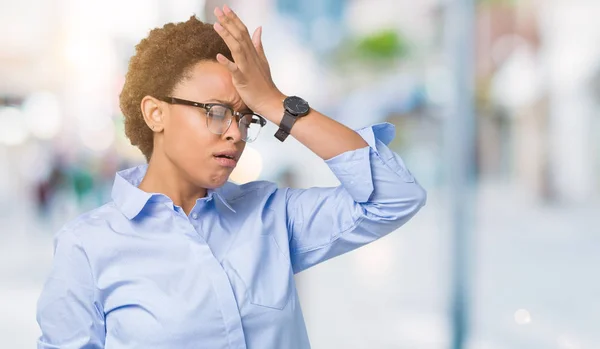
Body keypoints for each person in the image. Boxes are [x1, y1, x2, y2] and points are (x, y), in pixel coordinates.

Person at [36, 5, 426, 349]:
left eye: (245, 117)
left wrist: (275, 103)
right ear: (156, 114)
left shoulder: (271, 214)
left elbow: (395, 197)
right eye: (216, 111)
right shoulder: (87, 248)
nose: (236, 133)